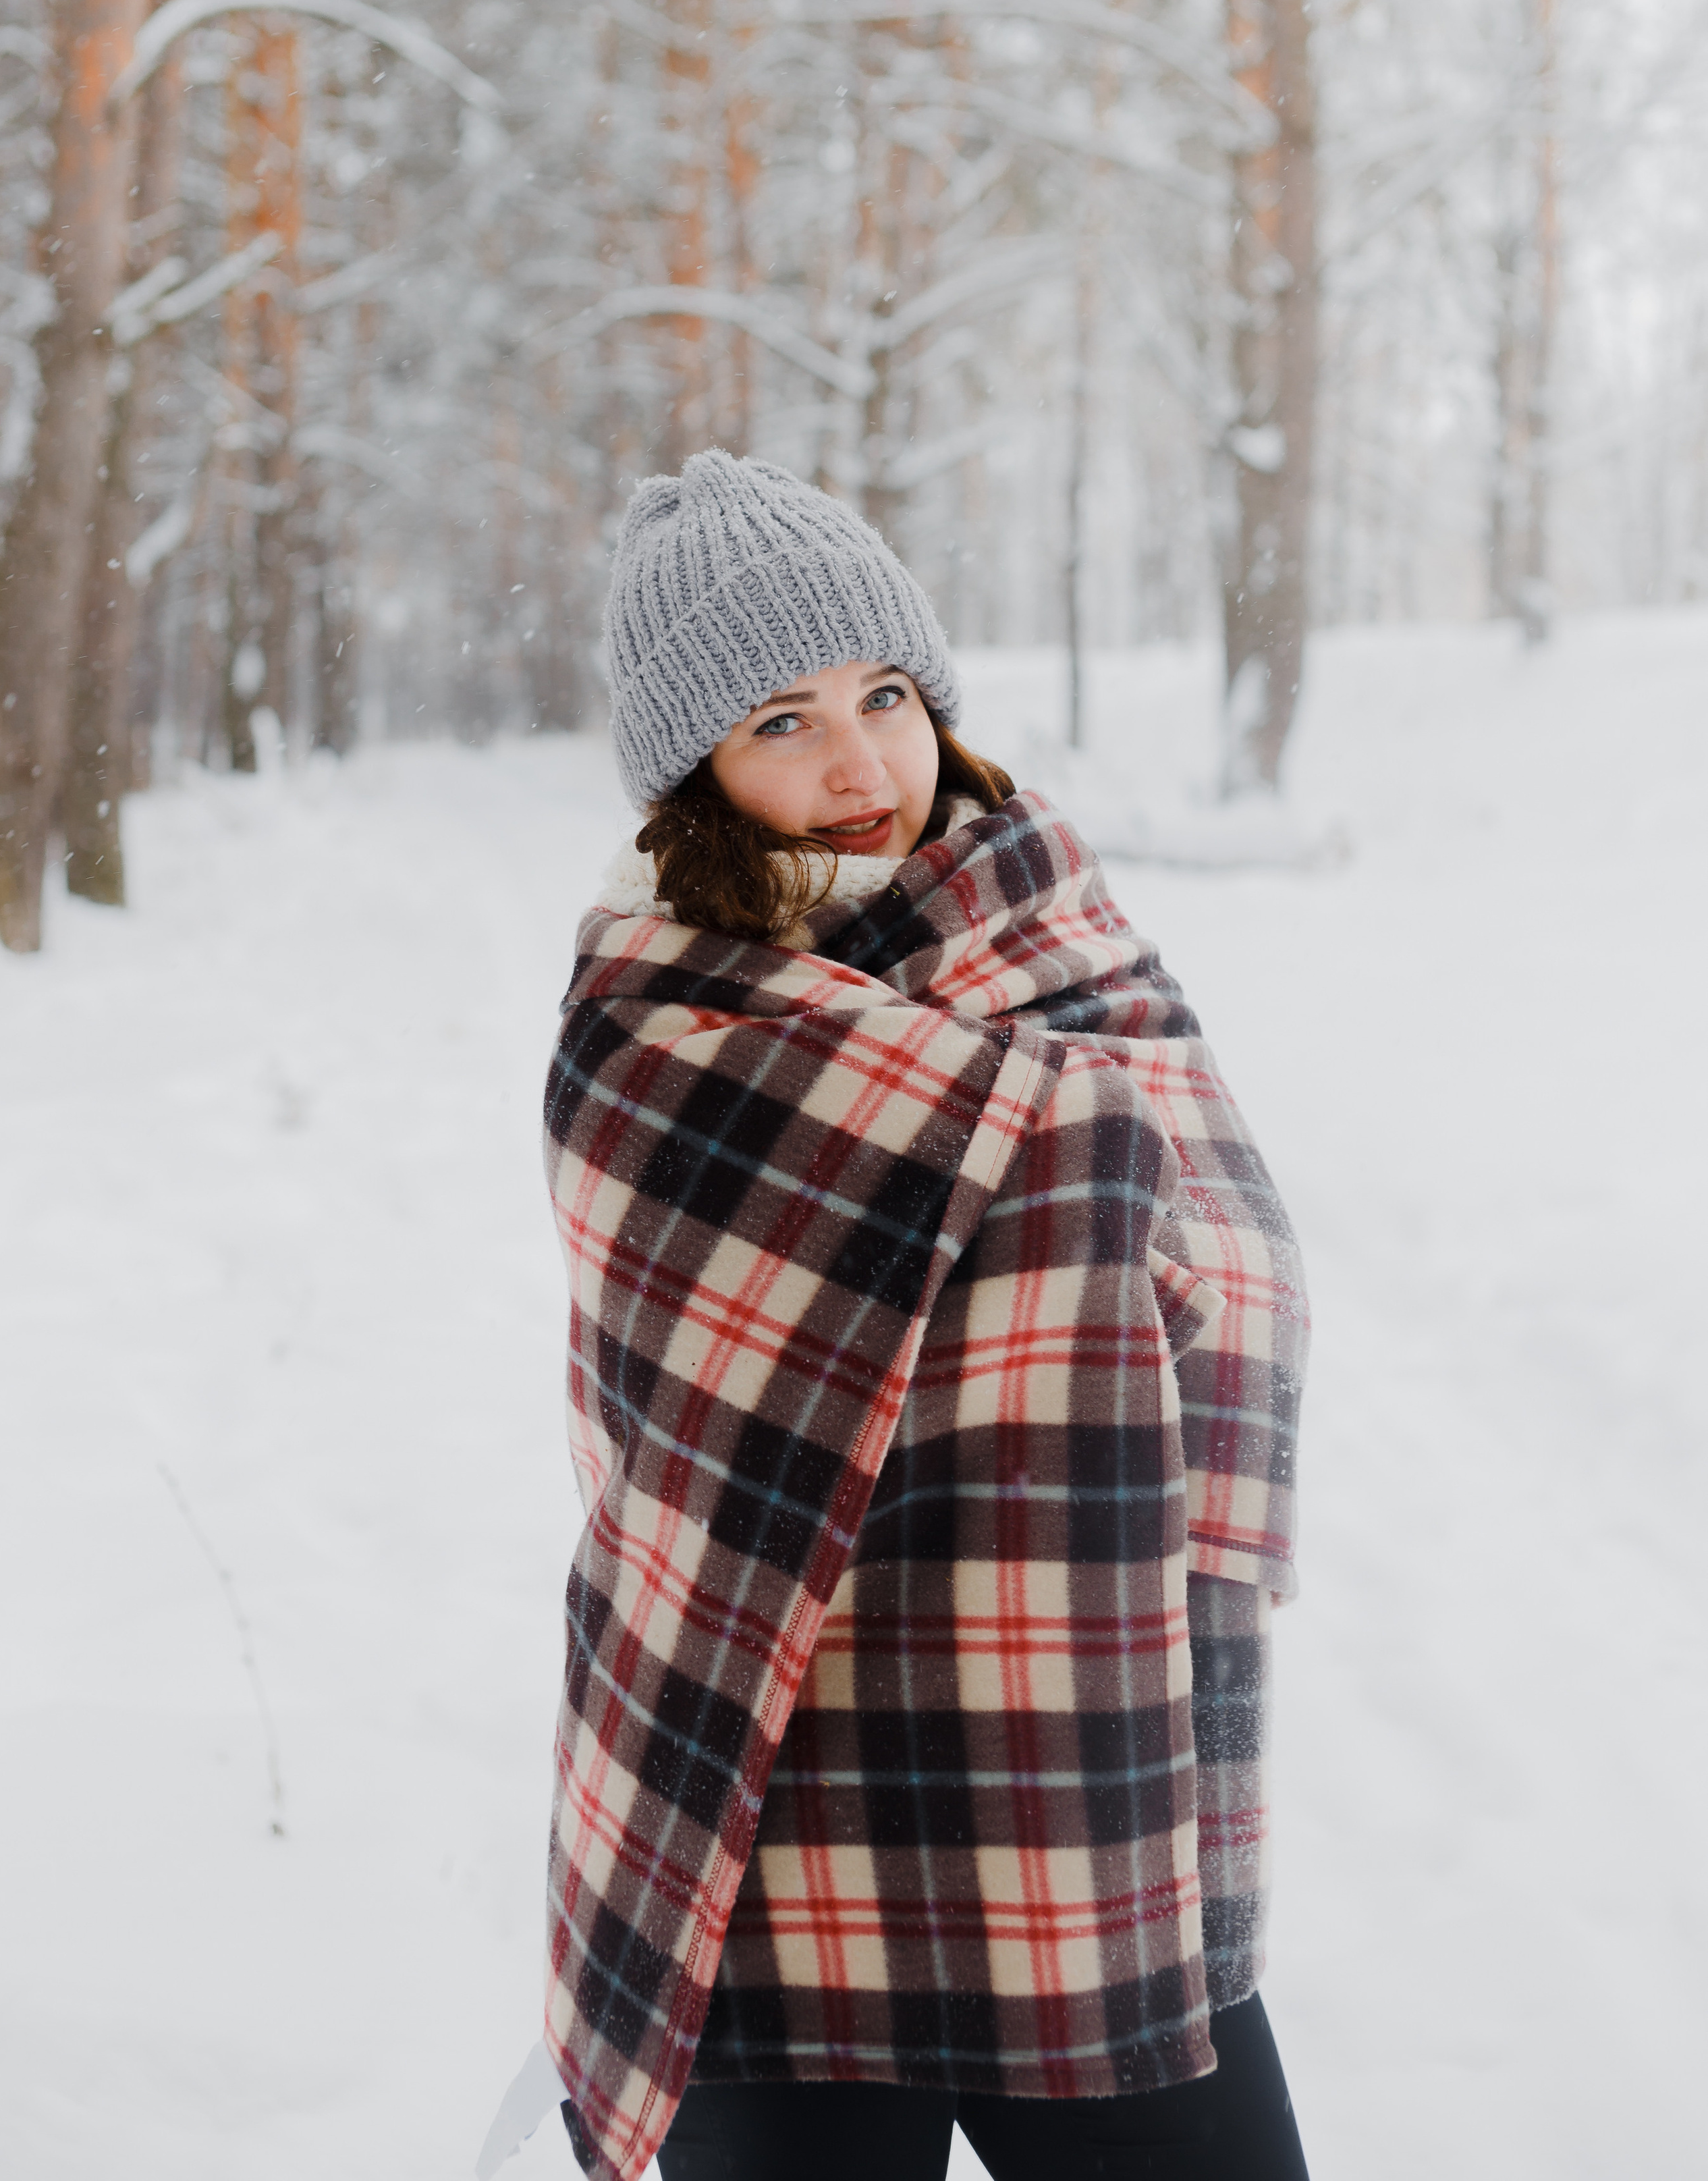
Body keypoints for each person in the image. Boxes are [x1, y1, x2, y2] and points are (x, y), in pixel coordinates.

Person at [541, 451, 1311, 2181]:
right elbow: (692, 1450)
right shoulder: (656, 1023)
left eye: (885, 696)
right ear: (696, 775)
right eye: (782, 719)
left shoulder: (1042, 925)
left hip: (1074, 1763)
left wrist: (1052, 1159)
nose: (856, 764)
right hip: (782, 1785)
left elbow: (1226, 1247)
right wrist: (1053, 1159)